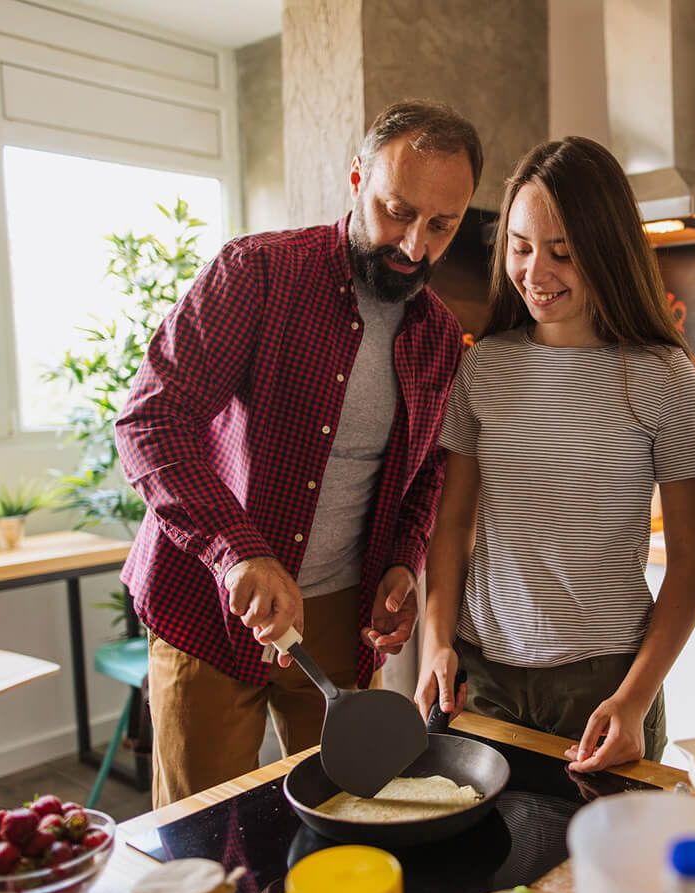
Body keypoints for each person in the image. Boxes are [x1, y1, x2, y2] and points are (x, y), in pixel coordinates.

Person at [116, 100, 482, 806]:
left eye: (442, 225)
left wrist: (404, 560)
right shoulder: (257, 273)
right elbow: (150, 420)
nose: (414, 246)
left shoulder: (439, 335)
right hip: (209, 604)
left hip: (342, 621)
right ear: (356, 178)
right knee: (201, 839)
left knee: (348, 813)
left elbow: (426, 470)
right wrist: (237, 550)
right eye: (396, 210)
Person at [414, 137, 695, 772]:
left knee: (603, 868)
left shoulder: (662, 376)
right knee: (493, 867)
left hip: (605, 686)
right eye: (521, 248)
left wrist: (635, 698)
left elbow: (693, 557)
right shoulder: (483, 368)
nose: (536, 273)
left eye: (563, 253)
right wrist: (434, 644)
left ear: (606, 252)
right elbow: (453, 525)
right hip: (484, 679)